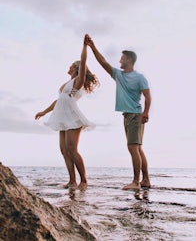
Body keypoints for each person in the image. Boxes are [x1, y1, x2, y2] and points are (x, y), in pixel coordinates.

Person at [85, 35, 151, 190]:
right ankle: (146, 180)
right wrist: (92, 46)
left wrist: (146, 113)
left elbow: (148, 96)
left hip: (135, 115)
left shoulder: (140, 77)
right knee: (137, 148)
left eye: (122, 58)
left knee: (133, 148)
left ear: (129, 60)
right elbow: (103, 62)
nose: (120, 61)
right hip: (128, 115)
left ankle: (136, 182)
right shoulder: (119, 75)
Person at [35, 34, 99, 190]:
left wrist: (85, 47)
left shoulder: (78, 81)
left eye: (72, 65)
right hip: (62, 117)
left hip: (73, 118)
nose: (69, 66)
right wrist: (44, 112)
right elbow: (59, 101)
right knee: (64, 150)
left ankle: (83, 181)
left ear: (76, 68)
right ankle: (72, 181)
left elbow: (83, 62)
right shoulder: (67, 84)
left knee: (72, 149)